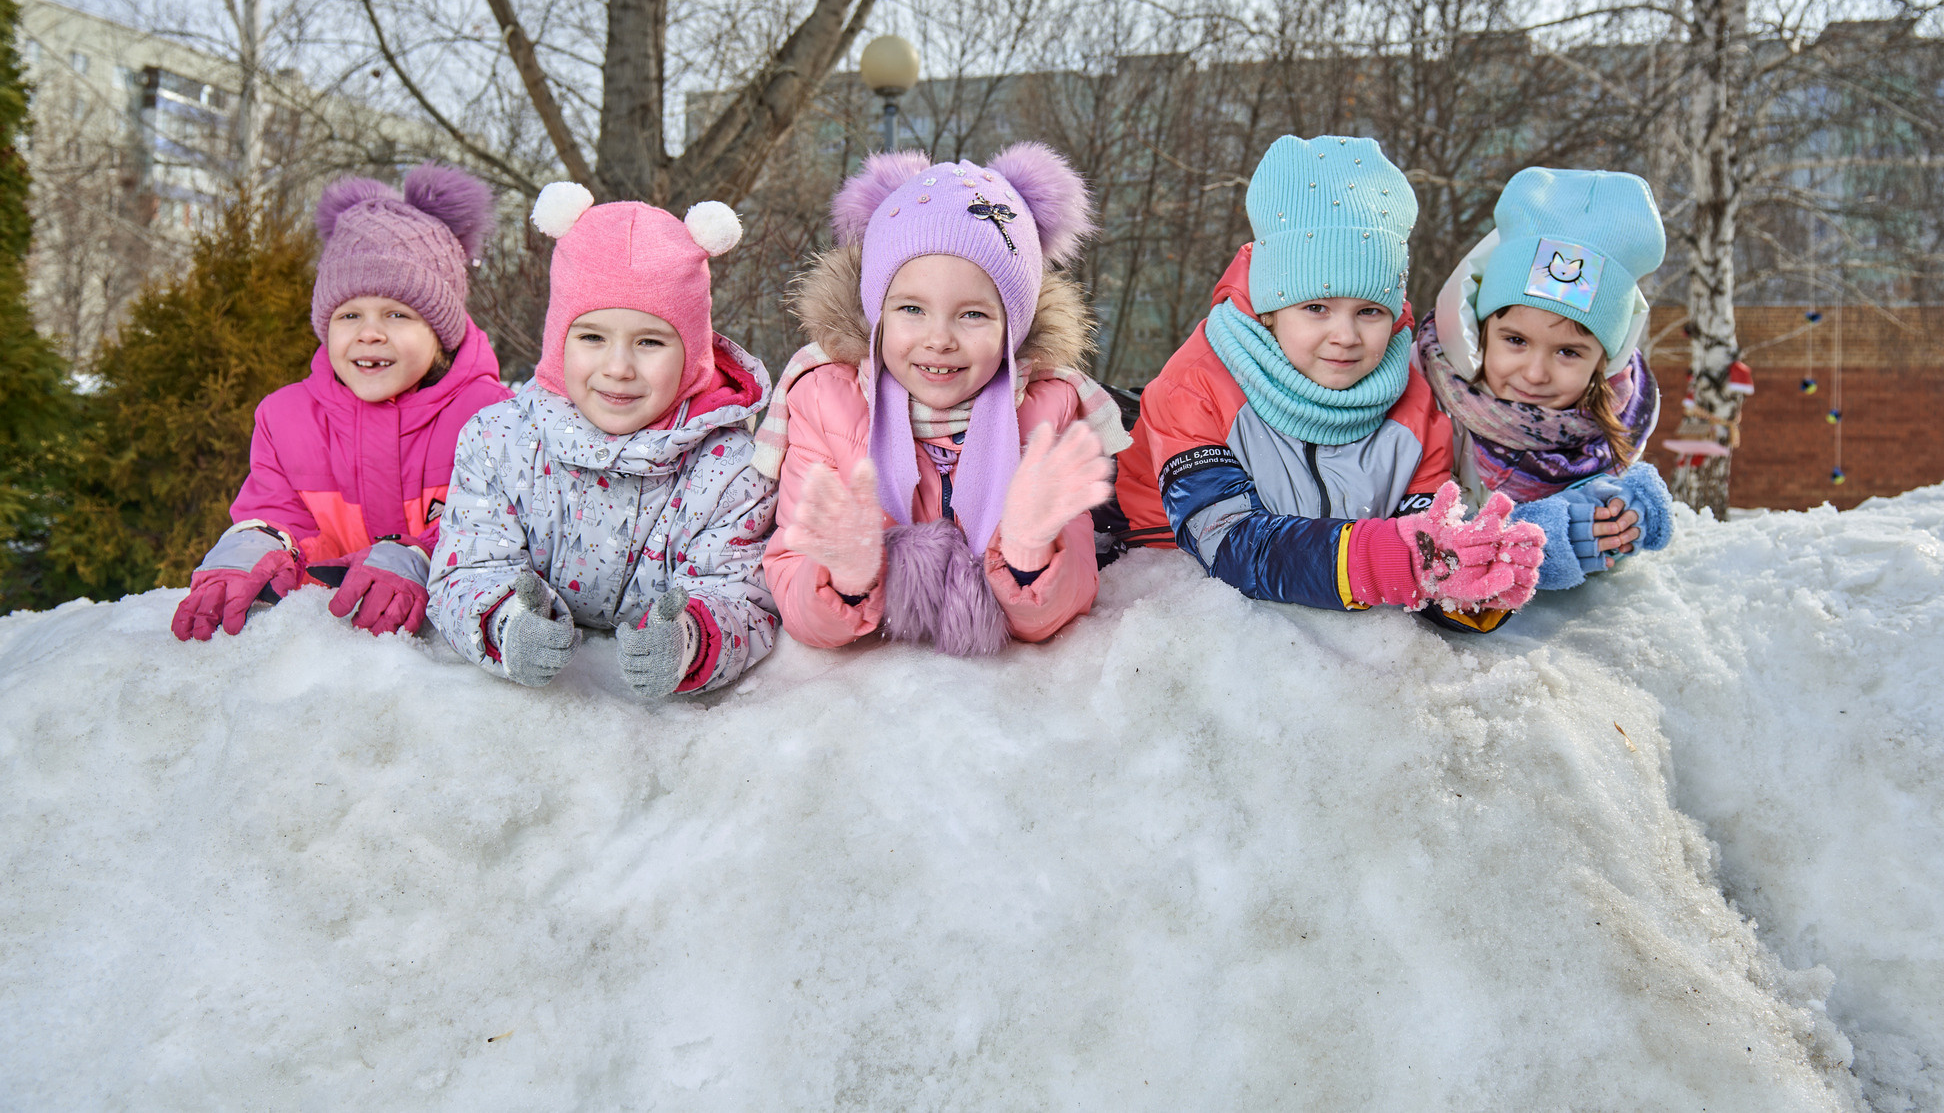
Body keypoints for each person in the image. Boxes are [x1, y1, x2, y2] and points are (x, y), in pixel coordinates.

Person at [1115, 135, 1545, 631]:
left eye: (1369, 312)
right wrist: (1388, 559)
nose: (1345, 337)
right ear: (1272, 308)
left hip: (1327, 617)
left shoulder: (1415, 407)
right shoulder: (1195, 388)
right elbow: (1227, 543)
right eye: (1316, 308)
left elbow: (1423, 545)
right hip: (1177, 596)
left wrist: (1468, 581)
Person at [756, 144, 1131, 656]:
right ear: (878, 313)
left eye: (973, 315)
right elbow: (792, 586)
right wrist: (842, 575)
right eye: (912, 308)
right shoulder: (825, 401)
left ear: (1012, 329)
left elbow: (1070, 595)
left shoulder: (1049, 407)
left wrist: (1029, 553)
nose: (940, 339)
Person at [426, 186, 777, 697]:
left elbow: (741, 594)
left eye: (650, 341)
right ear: (557, 342)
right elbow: (470, 566)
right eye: (592, 337)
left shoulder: (731, 470)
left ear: (693, 352)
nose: (618, 367)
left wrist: (690, 640)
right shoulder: (498, 442)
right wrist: (505, 625)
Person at [170, 165, 510, 642]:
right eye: (349, 314)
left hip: (443, 660)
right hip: (328, 649)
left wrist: (420, 555)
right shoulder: (284, 419)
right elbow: (277, 512)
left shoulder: (494, 420)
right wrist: (253, 546)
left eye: (397, 313)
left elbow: (500, 530)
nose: (369, 332)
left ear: (441, 333)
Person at [1417, 167, 1674, 591]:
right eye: (1515, 340)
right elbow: (1413, 540)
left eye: (1568, 352)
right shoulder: (1426, 398)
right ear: (1480, 333)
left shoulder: (1616, 416)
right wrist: (1543, 541)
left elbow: (1598, 510)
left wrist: (1622, 515)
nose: (1535, 374)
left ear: (1603, 363)